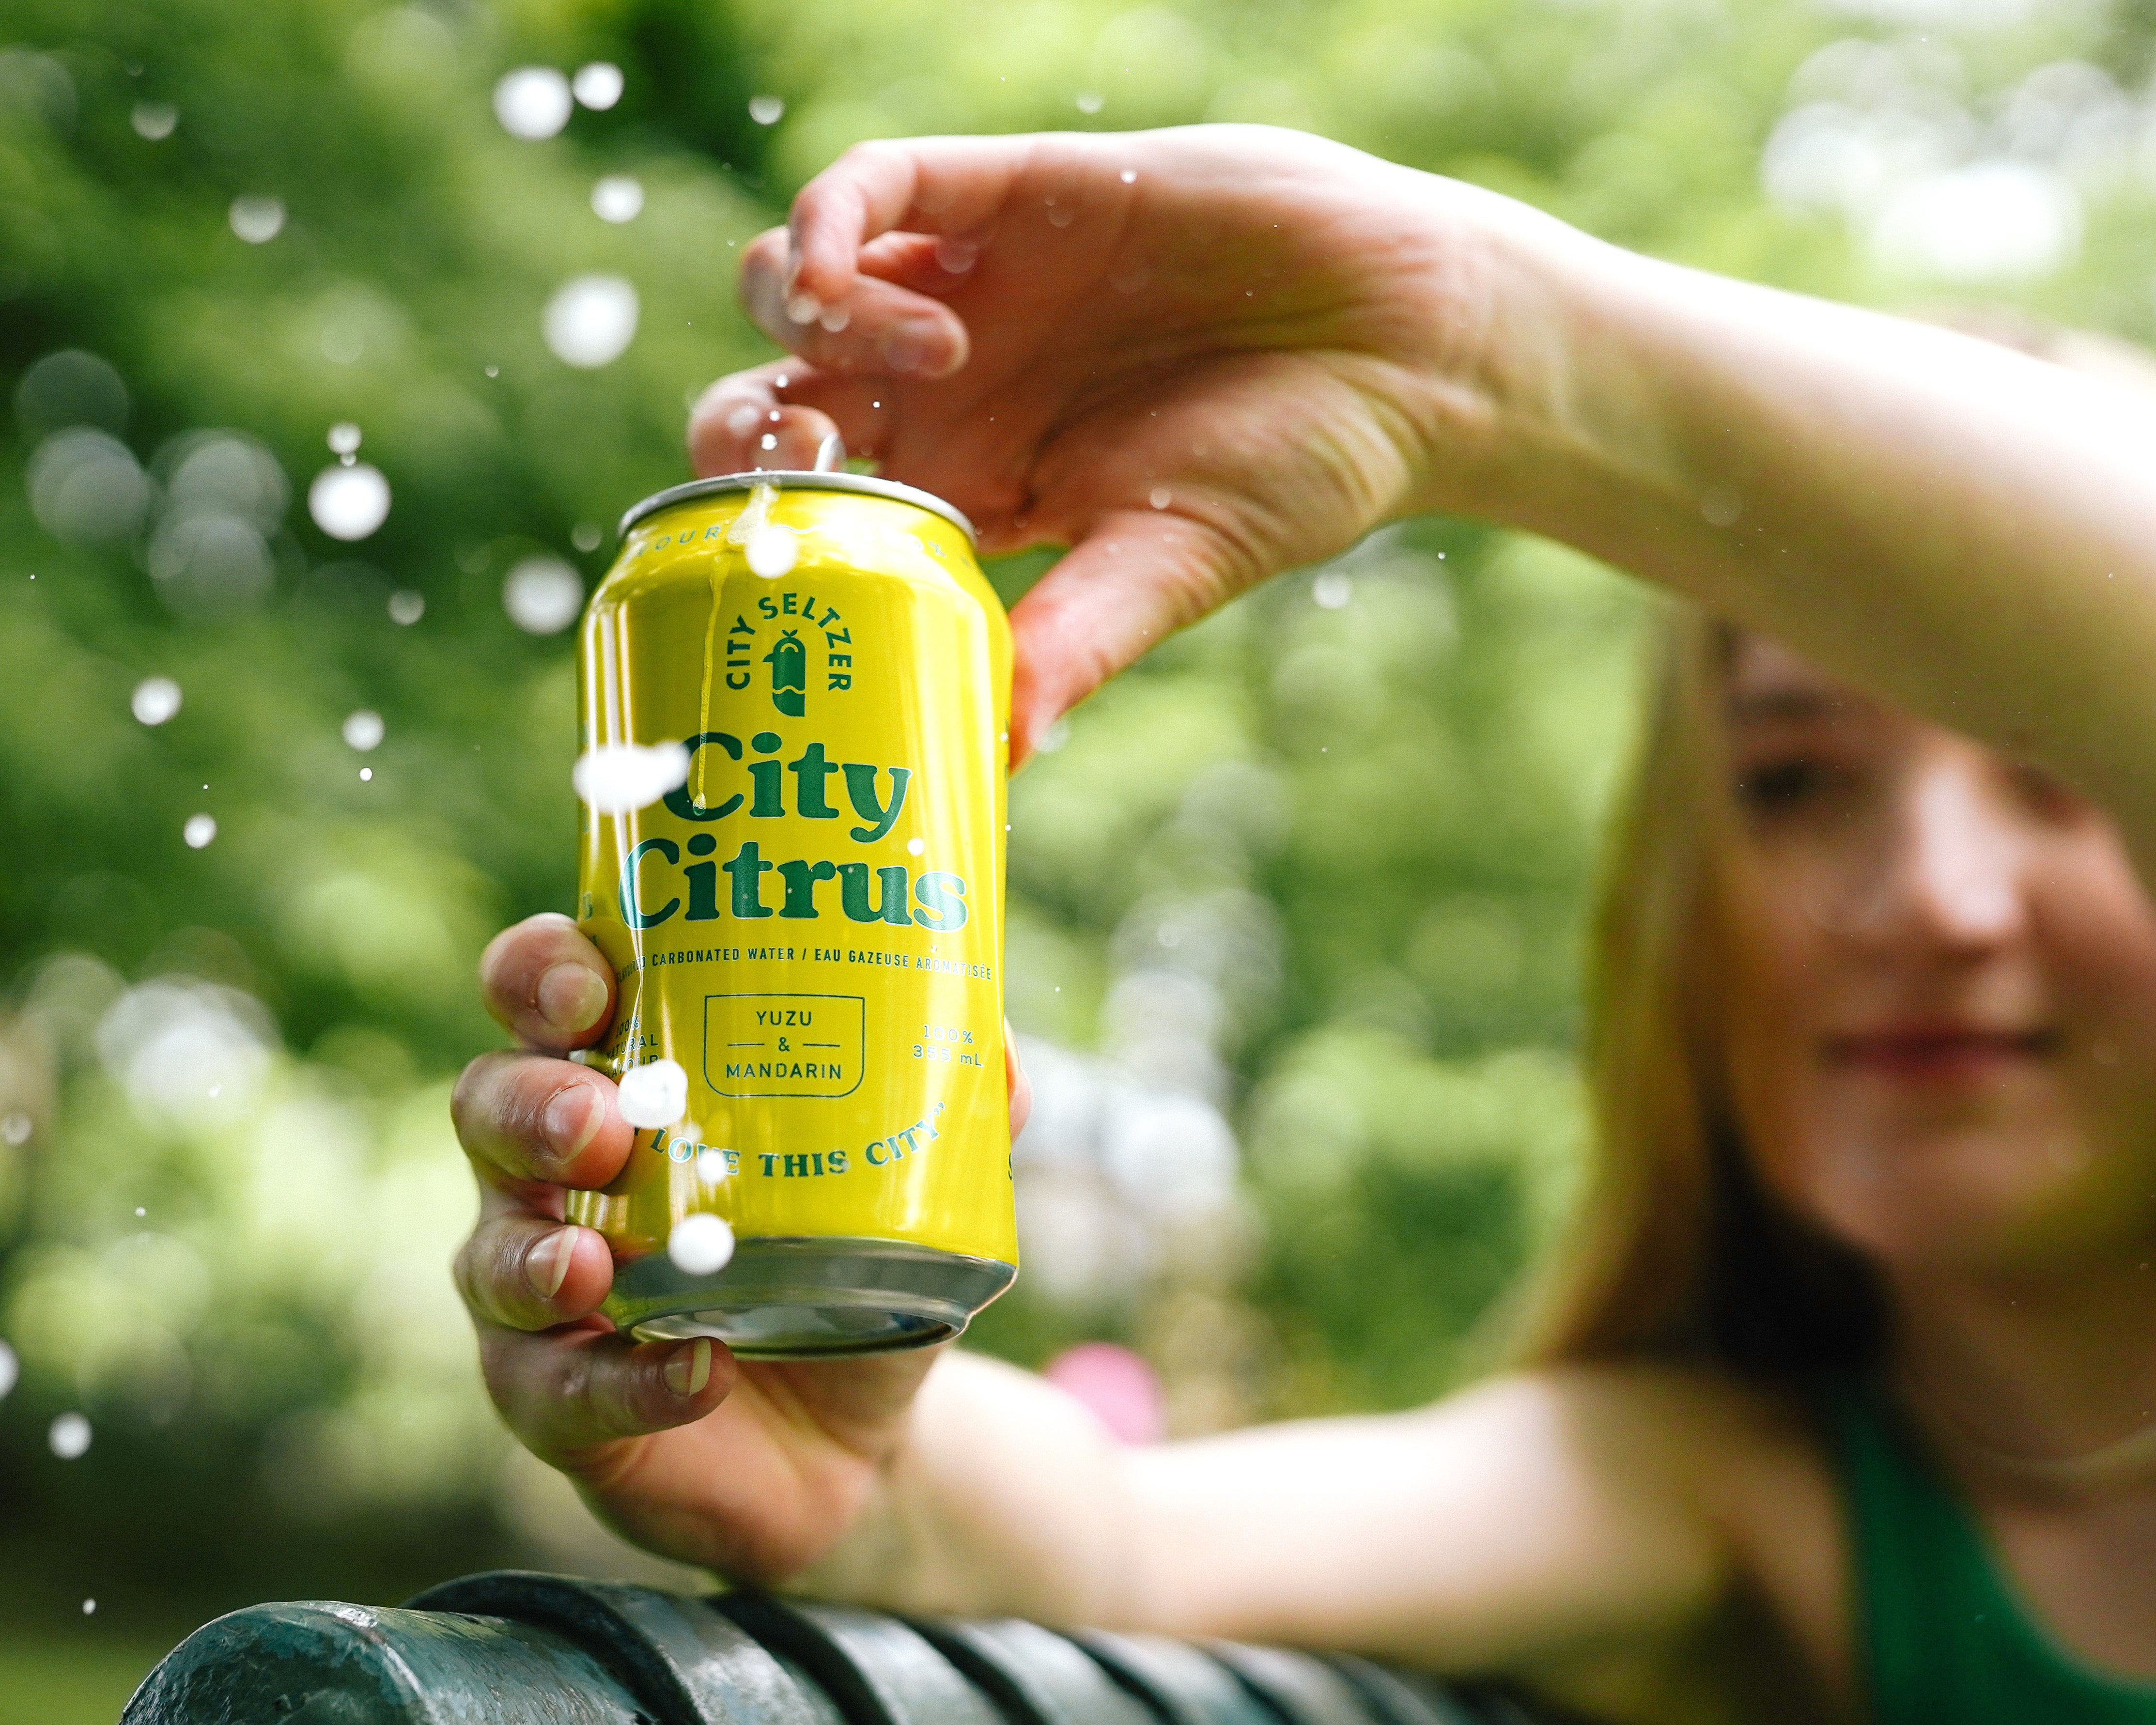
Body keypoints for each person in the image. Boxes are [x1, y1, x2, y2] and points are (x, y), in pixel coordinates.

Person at [449, 126, 2156, 1723]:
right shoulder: (1738, 1492)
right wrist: (867, 1463)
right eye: (1791, 782)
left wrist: (1484, 349)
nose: (1932, 899)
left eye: (2061, 768)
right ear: (1678, 899)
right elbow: (1130, 1543)